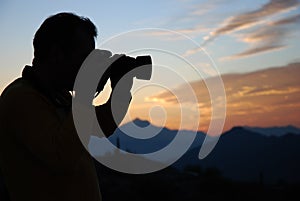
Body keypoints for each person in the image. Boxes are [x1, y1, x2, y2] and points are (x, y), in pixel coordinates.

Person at [0, 12, 133, 201]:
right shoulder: (20, 98)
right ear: (57, 54)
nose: (88, 67)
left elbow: (99, 126)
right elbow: (62, 156)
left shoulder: (58, 96)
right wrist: (85, 91)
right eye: (84, 58)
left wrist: (120, 91)